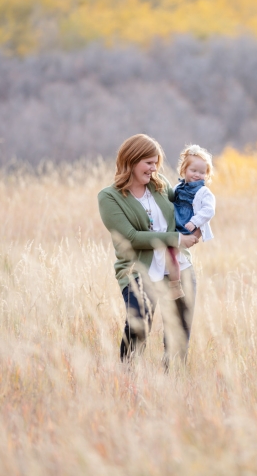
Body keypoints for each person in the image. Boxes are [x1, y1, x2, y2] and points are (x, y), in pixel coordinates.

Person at [97, 134, 200, 366]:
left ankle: (172, 384)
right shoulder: (109, 197)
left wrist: (202, 200)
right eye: (149, 163)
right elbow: (131, 238)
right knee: (138, 328)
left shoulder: (159, 184)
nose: (154, 168)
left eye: (156, 163)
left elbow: (184, 200)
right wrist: (176, 239)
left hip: (178, 269)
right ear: (131, 161)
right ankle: (126, 381)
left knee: (178, 333)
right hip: (139, 271)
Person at [165, 144, 216, 300]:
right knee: (169, 251)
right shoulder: (178, 187)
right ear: (184, 170)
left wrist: (194, 222)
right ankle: (171, 280)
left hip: (188, 226)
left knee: (172, 250)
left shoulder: (204, 192)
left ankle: (175, 286)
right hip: (176, 225)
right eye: (193, 171)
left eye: (202, 172)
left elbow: (209, 210)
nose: (197, 175)